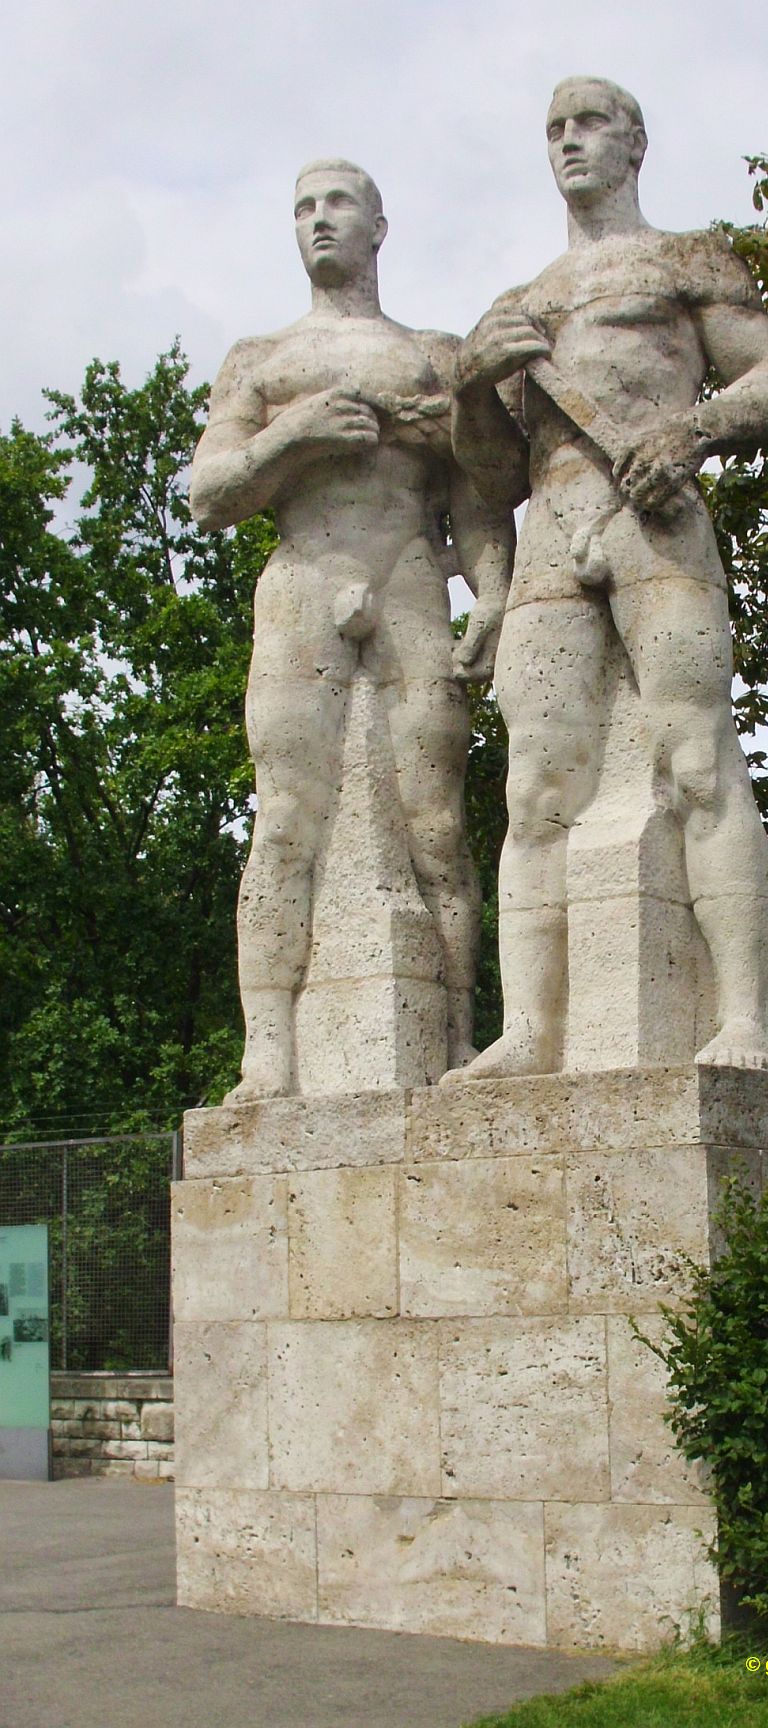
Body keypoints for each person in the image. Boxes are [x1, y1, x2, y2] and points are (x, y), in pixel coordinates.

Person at [449, 77, 768, 1079]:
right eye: (553, 128)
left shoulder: (684, 260)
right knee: (533, 790)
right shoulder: (516, 306)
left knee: (698, 756)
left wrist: (691, 431)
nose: (568, 142)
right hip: (551, 535)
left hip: (659, 518)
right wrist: (477, 383)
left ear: (634, 142)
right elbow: (482, 474)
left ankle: (745, 1023)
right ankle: (529, 1032)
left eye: (588, 123)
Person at [191, 159, 513, 1100]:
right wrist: (291, 437)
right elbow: (210, 493)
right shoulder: (260, 360)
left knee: (438, 828)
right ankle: (268, 1050)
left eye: (337, 204)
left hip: (411, 576)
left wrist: (491, 591)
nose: (317, 220)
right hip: (303, 576)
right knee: (284, 822)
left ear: (380, 226)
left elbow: (481, 496)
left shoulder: (435, 357)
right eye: (301, 208)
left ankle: (455, 1037)